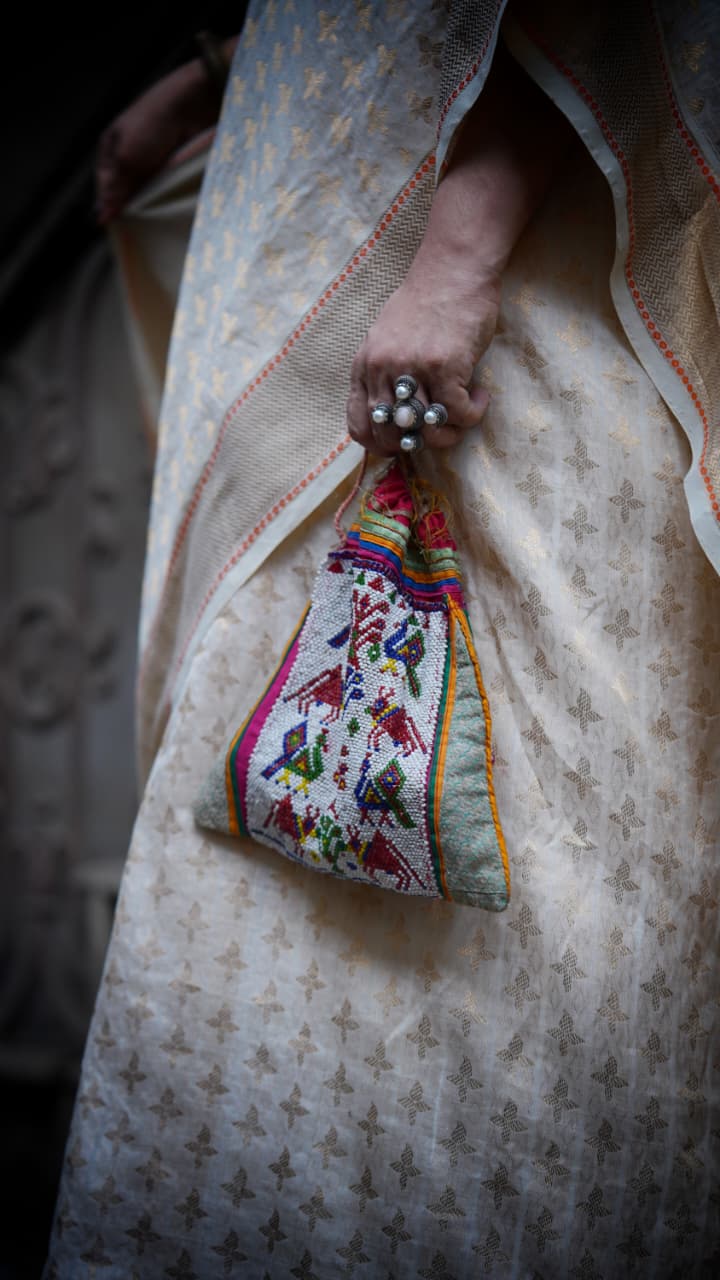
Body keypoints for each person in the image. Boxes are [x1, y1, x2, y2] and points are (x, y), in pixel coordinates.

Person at [46, 2, 719, 1276]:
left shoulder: (456, 274)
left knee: (546, 912)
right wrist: (221, 70)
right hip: (349, 234)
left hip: (491, 288)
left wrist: (459, 248)